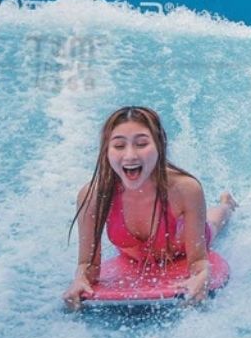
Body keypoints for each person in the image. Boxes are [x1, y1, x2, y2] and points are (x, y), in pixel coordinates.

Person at [62, 106, 236, 309]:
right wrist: (80, 279)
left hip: (182, 247)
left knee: (213, 223)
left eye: (142, 144)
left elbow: (198, 261)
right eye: (119, 146)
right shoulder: (93, 196)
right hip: (134, 256)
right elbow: (87, 265)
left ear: (160, 146)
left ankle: (227, 204)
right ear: (106, 151)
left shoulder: (185, 189)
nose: (130, 155)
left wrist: (203, 275)